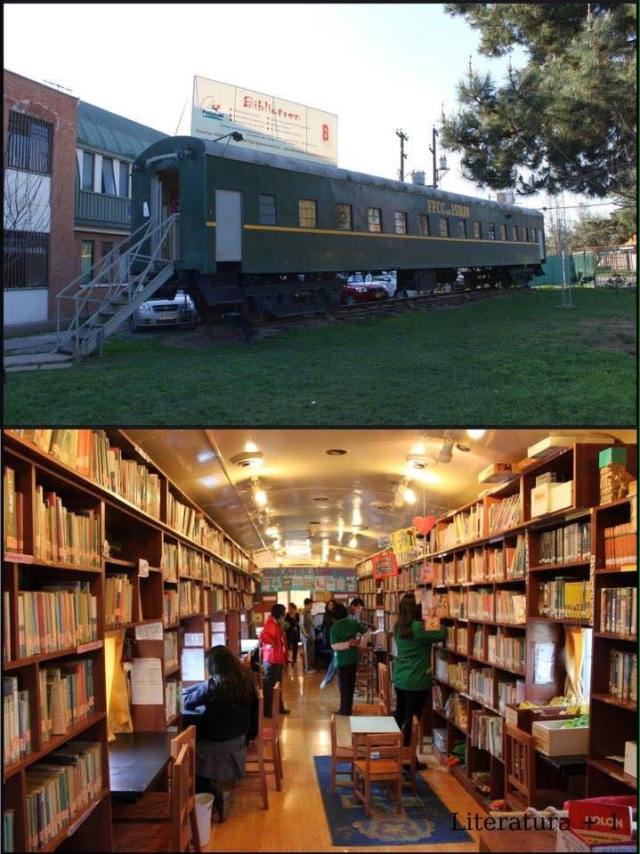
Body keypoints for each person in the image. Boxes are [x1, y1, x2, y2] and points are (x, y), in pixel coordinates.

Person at [183, 645, 258, 823]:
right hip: (240, 736)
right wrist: (248, 737)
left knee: (185, 758)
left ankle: (215, 796)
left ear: (214, 667)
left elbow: (188, 702)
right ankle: (212, 791)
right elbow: (254, 712)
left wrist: (191, 688)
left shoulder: (215, 685)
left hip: (218, 741)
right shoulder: (246, 679)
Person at [393, 592, 447, 758]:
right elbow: (442, 633)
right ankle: (409, 758)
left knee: (400, 716)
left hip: (400, 678)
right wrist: (435, 616)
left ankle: (396, 752)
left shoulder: (398, 626)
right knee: (412, 720)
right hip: (416, 680)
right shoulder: (418, 627)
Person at [329, 602, 369, 715]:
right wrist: (360, 643)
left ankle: (344, 710)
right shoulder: (353, 622)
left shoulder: (334, 628)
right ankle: (348, 707)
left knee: (344, 686)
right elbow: (366, 633)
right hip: (353, 657)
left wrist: (347, 644)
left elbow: (334, 646)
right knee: (351, 684)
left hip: (342, 660)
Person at [259, 604, 290, 716]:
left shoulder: (276, 625)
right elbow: (264, 639)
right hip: (271, 660)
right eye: (283, 615)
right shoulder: (270, 626)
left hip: (276, 659)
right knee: (269, 686)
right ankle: (268, 710)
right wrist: (272, 644)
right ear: (280, 616)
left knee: (277, 685)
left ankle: (279, 707)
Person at [319, 599, 337, 690]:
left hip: (335, 636)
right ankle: (329, 675)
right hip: (328, 636)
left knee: (334, 656)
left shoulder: (336, 614)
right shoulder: (325, 614)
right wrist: (320, 632)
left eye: (332, 605)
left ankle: (328, 678)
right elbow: (323, 624)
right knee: (332, 655)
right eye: (329, 605)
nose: (330, 606)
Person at [300, 598, 317, 674]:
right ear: (306, 604)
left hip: (311, 636)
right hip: (306, 637)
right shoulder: (302, 613)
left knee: (311, 652)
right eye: (310, 605)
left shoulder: (309, 613)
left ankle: (310, 667)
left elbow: (312, 624)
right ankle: (307, 669)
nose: (311, 606)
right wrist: (305, 634)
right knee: (307, 653)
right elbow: (301, 625)